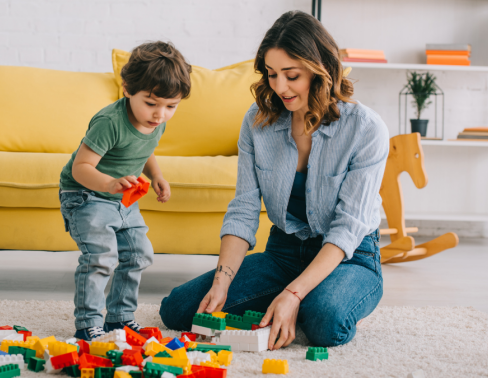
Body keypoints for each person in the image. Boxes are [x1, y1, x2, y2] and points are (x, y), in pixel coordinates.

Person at [159, 11, 389, 349]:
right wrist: (223, 281)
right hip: (283, 253)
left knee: (324, 321)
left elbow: (348, 228)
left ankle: (303, 301)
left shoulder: (366, 128)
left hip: (350, 256)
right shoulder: (257, 123)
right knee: (179, 309)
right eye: (271, 75)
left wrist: (294, 293)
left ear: (318, 69)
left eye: (291, 75)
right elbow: (244, 209)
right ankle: (288, 301)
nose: (280, 87)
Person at [59, 41, 192, 341]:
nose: (160, 114)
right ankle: (88, 324)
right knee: (101, 257)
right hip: (86, 195)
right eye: (152, 103)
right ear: (127, 90)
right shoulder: (110, 123)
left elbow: (145, 150)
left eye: (171, 106)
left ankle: (119, 319)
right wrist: (107, 184)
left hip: (122, 198)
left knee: (138, 254)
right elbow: (81, 167)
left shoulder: (156, 122)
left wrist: (156, 175)